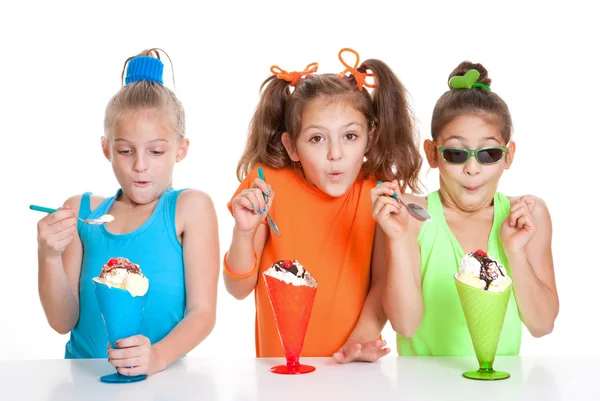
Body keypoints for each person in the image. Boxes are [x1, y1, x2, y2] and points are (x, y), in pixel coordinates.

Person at [224, 48, 422, 362]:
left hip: (353, 370)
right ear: (292, 147)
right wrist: (243, 233)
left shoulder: (378, 193)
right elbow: (237, 289)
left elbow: (384, 284)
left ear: (369, 140)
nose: (335, 154)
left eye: (350, 136)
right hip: (279, 374)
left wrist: (354, 345)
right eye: (317, 139)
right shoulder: (266, 185)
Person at [35, 49, 219, 375]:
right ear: (107, 149)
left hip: (162, 384)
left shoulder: (191, 209)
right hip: (83, 383)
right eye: (125, 150)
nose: (140, 165)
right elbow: (62, 321)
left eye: (157, 150)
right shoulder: (82, 211)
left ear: (181, 150)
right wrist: (48, 255)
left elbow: (202, 313)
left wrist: (158, 357)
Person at [372, 61, 559, 356]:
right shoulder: (410, 215)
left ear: (508, 155)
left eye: (488, 153)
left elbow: (542, 324)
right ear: (433, 154)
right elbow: (405, 325)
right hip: (425, 390)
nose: (472, 169)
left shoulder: (527, 215)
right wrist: (395, 238)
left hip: (502, 390)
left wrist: (515, 252)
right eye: (456, 153)